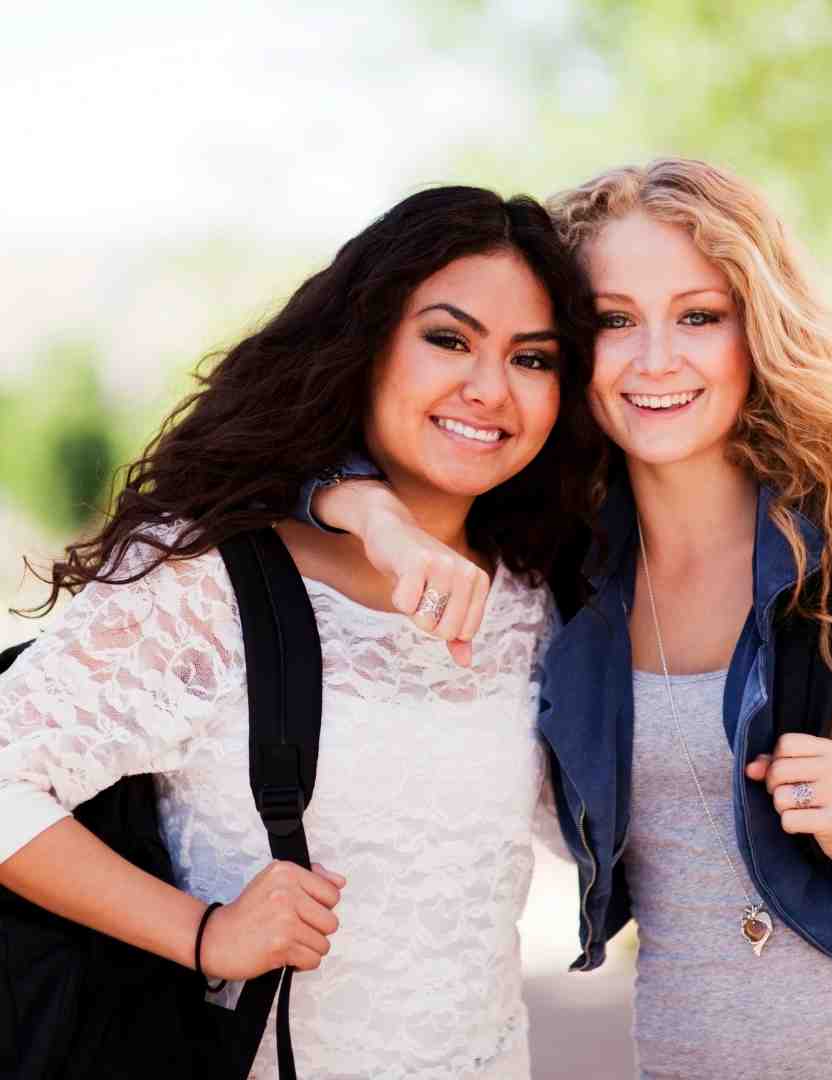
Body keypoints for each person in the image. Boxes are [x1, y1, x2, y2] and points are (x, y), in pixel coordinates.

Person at [297, 159, 832, 1079]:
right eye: (615, 320)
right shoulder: (560, 573)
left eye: (698, 316)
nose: (655, 358)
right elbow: (288, 452)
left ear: (757, 333)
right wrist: (369, 513)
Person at [0, 185, 602, 1078]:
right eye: (448, 338)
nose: (489, 388)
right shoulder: (207, 578)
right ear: (367, 347)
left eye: (534, 358)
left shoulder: (537, 591)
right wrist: (207, 935)